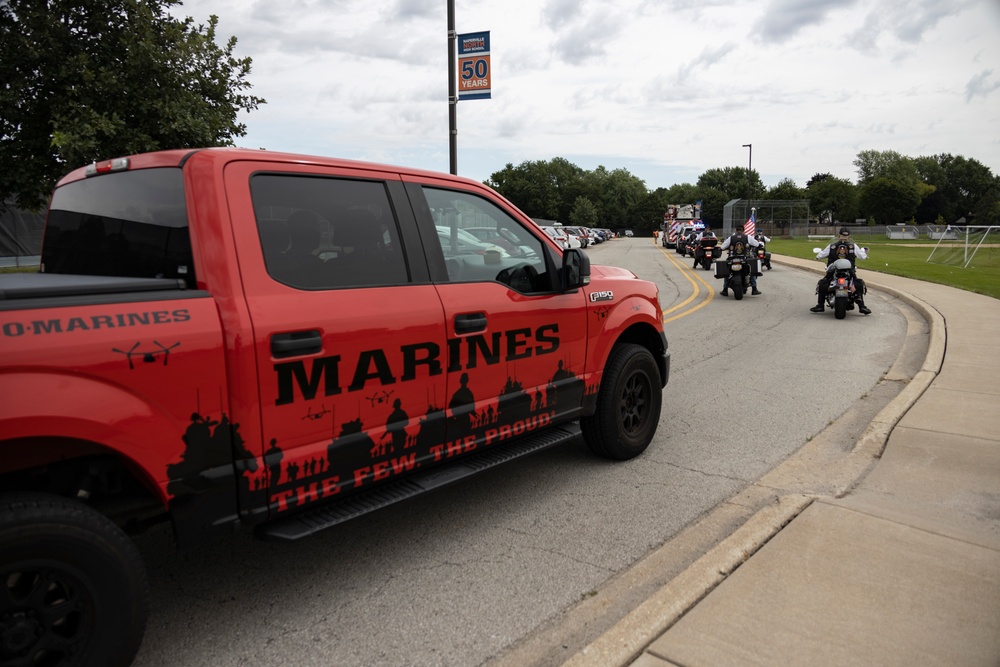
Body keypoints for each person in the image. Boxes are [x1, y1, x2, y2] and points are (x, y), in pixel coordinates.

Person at [811, 228, 871, 314]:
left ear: (839, 236)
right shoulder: (853, 246)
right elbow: (862, 257)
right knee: (856, 282)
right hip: (849, 270)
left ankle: (820, 305)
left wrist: (818, 256)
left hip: (833, 269)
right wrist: (865, 254)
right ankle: (862, 306)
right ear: (849, 237)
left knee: (823, 282)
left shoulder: (832, 246)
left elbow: (821, 254)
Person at [719, 223, 761, 295]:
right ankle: (754, 288)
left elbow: (722, 247)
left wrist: (721, 249)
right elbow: (756, 244)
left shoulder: (731, 238)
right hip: (745, 258)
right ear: (743, 230)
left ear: (736, 230)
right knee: (752, 270)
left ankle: (725, 289)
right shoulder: (748, 237)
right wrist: (759, 245)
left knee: (727, 272)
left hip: (732, 258)